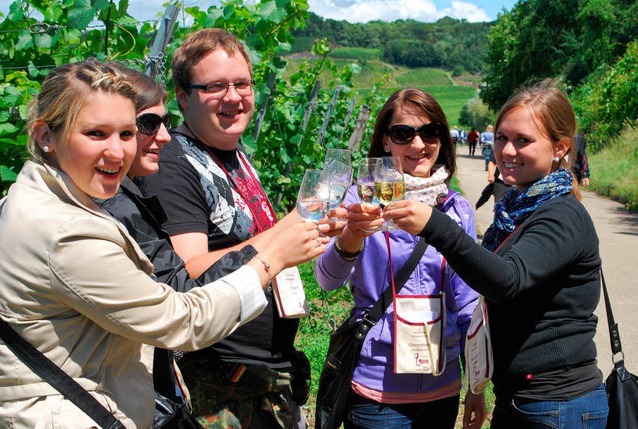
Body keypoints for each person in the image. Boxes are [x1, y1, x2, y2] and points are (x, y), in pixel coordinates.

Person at [0, 60, 325, 428]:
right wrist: (271, 257)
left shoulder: (33, 198)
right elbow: (183, 322)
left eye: (126, 134)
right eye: (95, 134)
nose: (116, 152)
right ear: (45, 136)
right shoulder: (66, 233)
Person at [96, 66, 328, 404]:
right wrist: (276, 249)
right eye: (148, 124)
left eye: (243, 84)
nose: (164, 136)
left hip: (250, 371)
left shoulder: (229, 153)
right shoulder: (135, 188)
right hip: (219, 377)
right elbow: (181, 287)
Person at [384, 79, 608, 428]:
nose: (506, 151)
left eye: (523, 141)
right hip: (527, 398)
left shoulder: (561, 215)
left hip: (556, 404)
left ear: (561, 147)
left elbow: (506, 281)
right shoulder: (521, 209)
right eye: (502, 138)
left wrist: (436, 226)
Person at [315, 88, 487, 429]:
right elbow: (327, 279)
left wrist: (477, 386)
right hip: (376, 388)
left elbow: (466, 303)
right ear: (385, 142)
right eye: (404, 133)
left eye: (430, 132)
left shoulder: (456, 208)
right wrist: (352, 235)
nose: (419, 145)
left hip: (442, 385)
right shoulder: (359, 201)